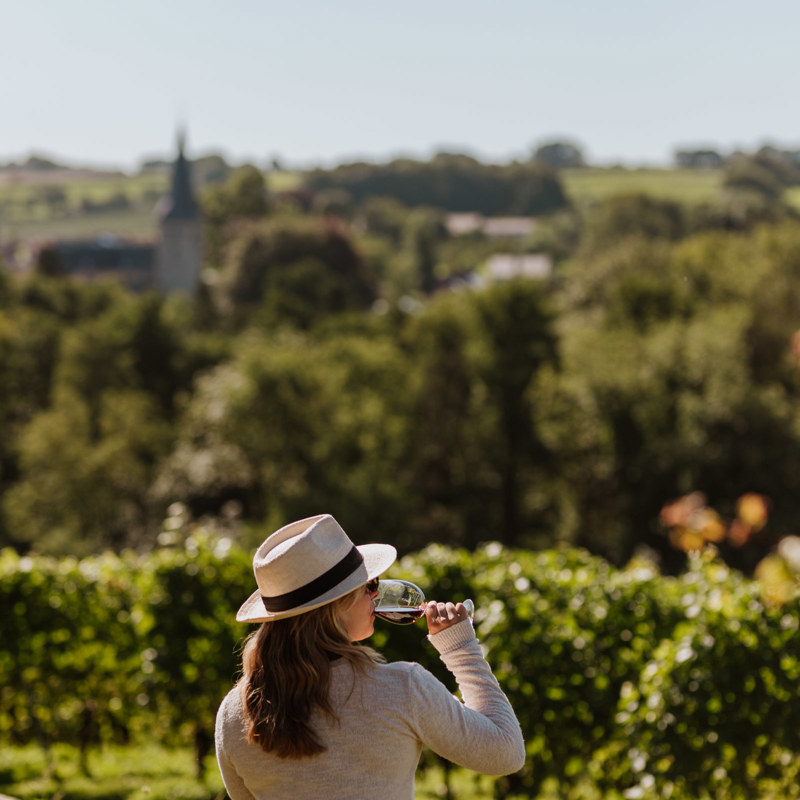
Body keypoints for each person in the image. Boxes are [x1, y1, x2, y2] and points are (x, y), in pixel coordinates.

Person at [215, 514, 525, 799]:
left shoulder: (233, 713)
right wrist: (461, 648)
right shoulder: (403, 689)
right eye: (369, 585)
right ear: (337, 604)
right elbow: (506, 753)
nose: (375, 594)